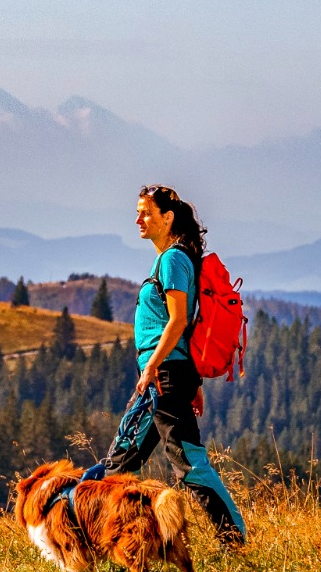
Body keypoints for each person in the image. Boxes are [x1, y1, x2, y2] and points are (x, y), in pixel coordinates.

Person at [78, 185, 246, 545]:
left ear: (167, 218)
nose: (138, 219)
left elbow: (178, 321)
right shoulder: (175, 258)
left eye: (145, 213)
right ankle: (100, 540)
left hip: (163, 374)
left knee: (188, 463)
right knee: (122, 462)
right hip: (169, 374)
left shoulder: (172, 259)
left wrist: (153, 367)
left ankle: (235, 540)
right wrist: (192, 382)